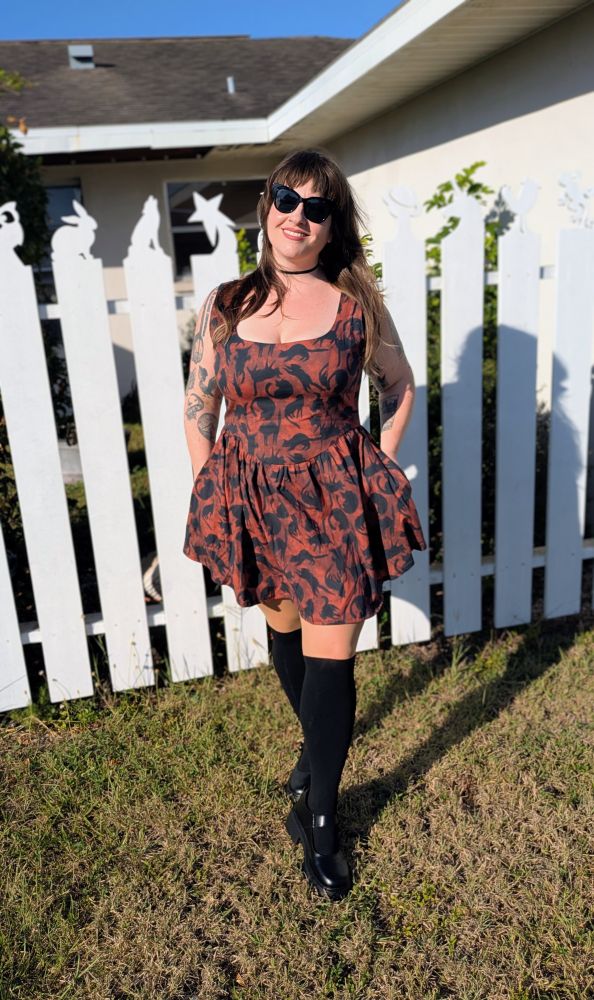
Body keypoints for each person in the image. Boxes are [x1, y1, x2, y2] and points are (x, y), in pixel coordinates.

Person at [183, 148, 427, 902]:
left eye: (317, 207)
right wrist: (210, 490)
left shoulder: (357, 305)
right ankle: (313, 756)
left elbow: (398, 384)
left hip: (332, 503)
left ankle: (320, 822)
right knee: (284, 635)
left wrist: (380, 465)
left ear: (332, 226)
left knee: (333, 655)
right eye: (287, 199)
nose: (298, 216)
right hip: (252, 497)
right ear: (268, 207)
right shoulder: (225, 306)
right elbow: (200, 408)